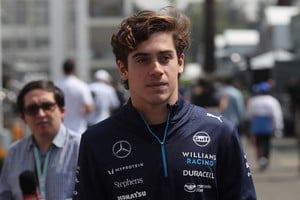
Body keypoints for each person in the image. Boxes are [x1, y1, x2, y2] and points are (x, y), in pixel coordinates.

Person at [74, 7, 257, 199]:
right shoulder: (96, 141)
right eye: (142, 60)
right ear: (123, 69)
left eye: (165, 58)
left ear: (180, 62)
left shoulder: (219, 132)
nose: (156, 69)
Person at [0, 80, 81, 199]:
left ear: (62, 111)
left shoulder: (82, 147)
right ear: (23, 117)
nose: (41, 114)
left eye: (47, 106)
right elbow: (4, 194)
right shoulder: (15, 152)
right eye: (32, 109)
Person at [247, 81, 284, 171]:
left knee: (258, 143)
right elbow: (277, 115)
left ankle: (260, 158)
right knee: (267, 143)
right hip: (268, 126)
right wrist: (279, 127)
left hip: (257, 126)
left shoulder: (253, 100)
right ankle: (265, 159)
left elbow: (249, 114)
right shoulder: (272, 100)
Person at [55, 58, 94, 133]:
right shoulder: (81, 85)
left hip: (60, 129)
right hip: (78, 128)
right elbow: (89, 108)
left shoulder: (56, 85)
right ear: (74, 69)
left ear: (63, 69)